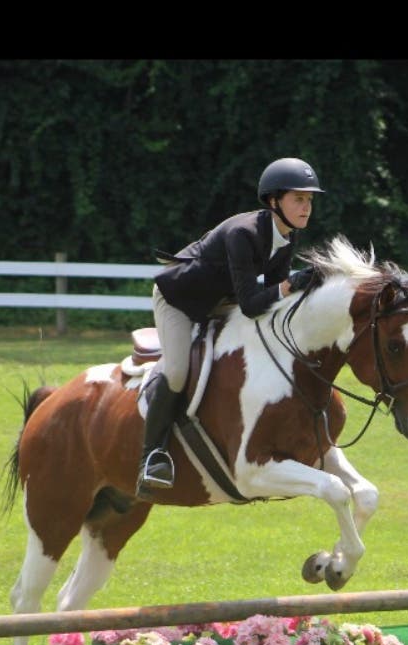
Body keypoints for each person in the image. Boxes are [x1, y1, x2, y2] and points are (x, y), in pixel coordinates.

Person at [136, 156, 325, 496]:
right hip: (179, 299)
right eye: (298, 199)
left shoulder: (287, 236)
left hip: (222, 299)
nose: (306, 207)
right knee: (177, 372)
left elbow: (272, 299)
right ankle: (152, 456)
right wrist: (290, 285)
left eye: (309, 200)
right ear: (274, 201)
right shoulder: (244, 233)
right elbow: (253, 304)